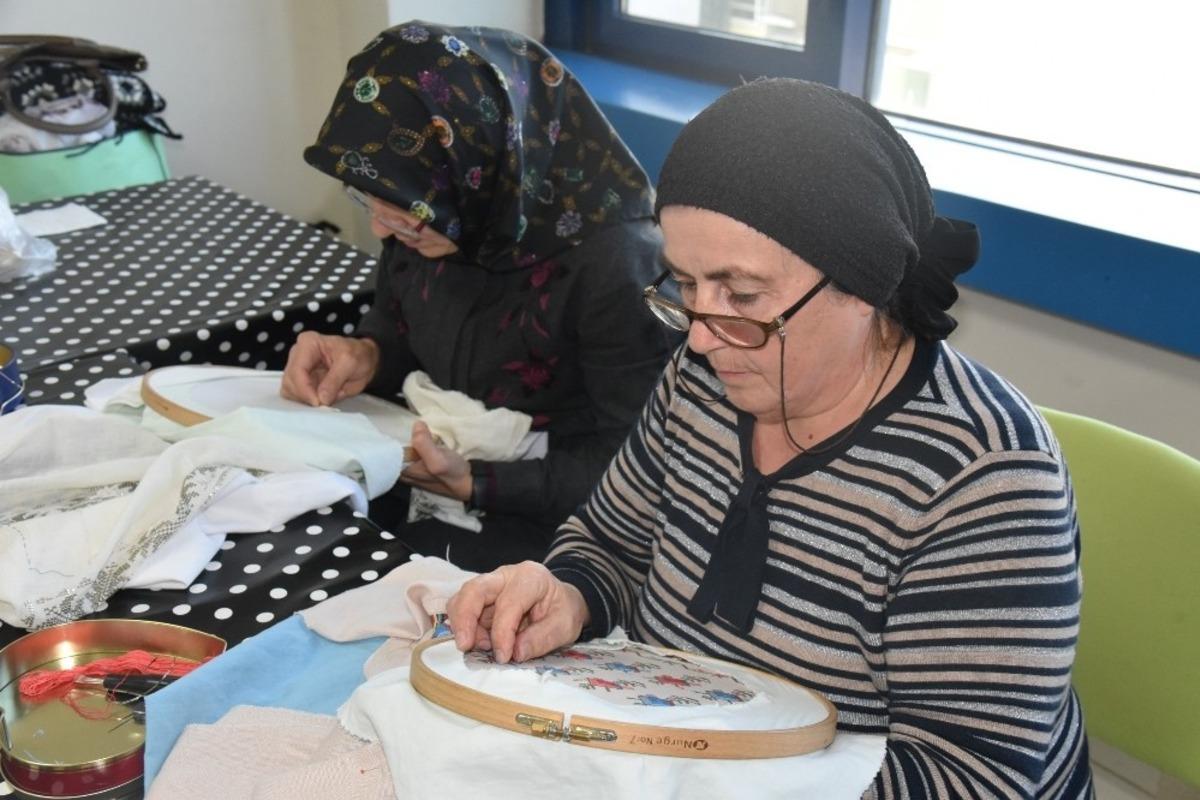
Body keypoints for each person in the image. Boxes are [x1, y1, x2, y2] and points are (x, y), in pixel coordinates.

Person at [448, 78, 1092, 797]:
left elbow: (973, 777)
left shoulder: (984, 480)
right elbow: (614, 544)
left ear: (863, 283)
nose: (697, 338)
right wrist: (566, 592)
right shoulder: (709, 377)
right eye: (686, 287)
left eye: (742, 297)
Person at [283, 23, 673, 571]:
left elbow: (643, 470)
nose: (383, 232)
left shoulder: (615, 264)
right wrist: (366, 355)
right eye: (367, 202)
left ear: (485, 162)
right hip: (434, 485)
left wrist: (476, 482)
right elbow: (399, 330)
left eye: (403, 216)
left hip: (562, 528)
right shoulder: (432, 204)